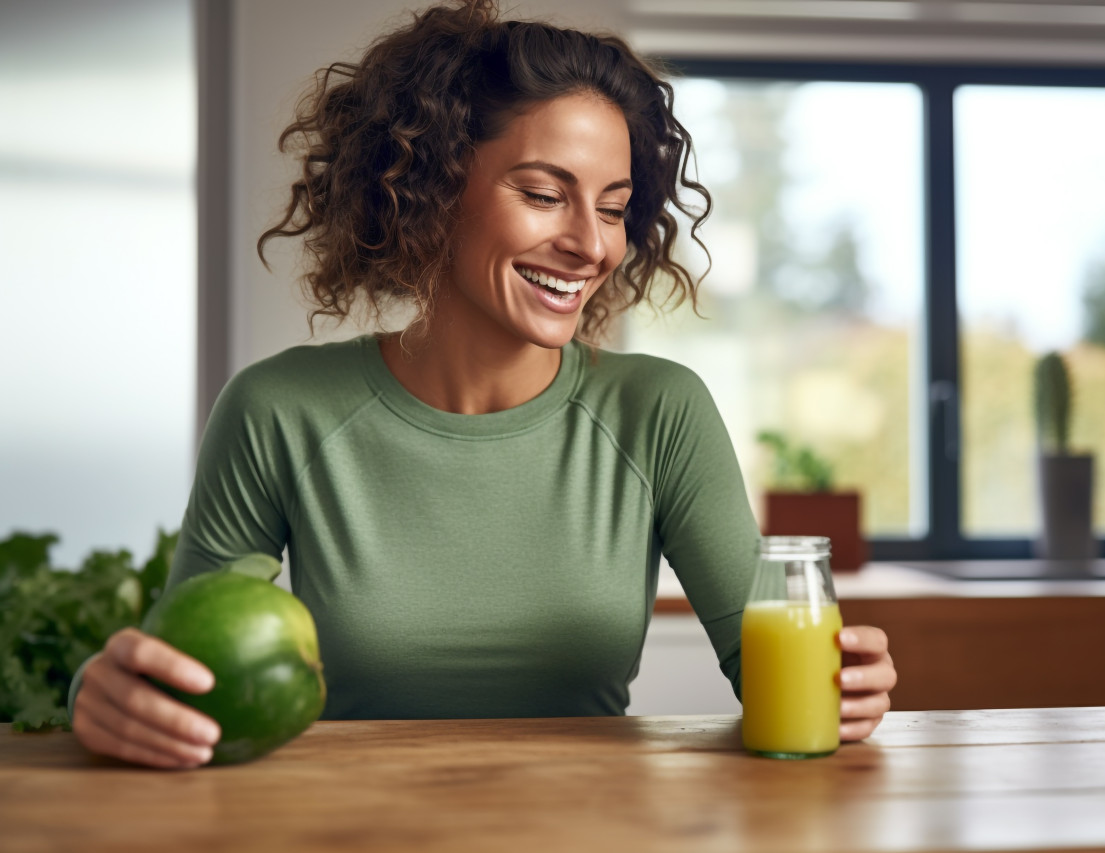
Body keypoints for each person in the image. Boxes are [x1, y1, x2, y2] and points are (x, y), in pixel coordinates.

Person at [68, 0, 896, 770]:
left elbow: (775, 674)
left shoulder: (658, 412)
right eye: (544, 195)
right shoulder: (280, 409)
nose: (590, 245)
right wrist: (104, 697)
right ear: (429, 185)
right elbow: (181, 679)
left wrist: (846, 684)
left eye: (613, 208)